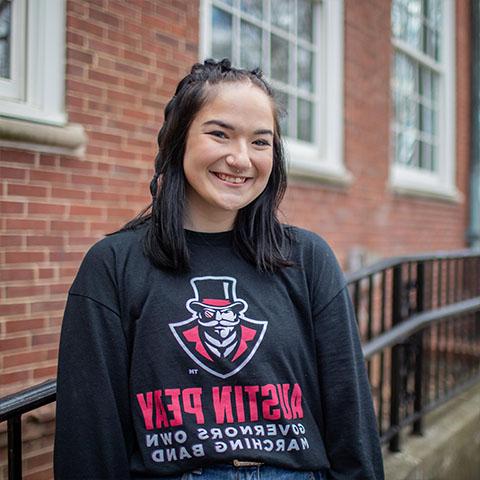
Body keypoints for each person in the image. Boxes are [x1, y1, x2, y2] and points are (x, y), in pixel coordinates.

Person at [54, 59, 384, 480]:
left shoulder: (308, 259)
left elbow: (349, 412)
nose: (240, 158)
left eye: (260, 142)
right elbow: (90, 434)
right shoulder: (115, 265)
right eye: (219, 134)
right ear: (179, 141)